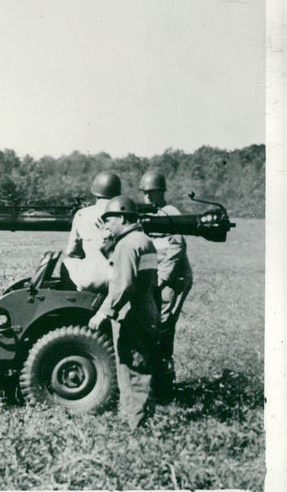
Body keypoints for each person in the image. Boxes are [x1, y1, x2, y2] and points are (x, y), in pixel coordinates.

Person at [88, 195, 159, 429]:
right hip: (146, 310)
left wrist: (102, 313)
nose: (106, 225)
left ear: (122, 217)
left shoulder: (127, 245)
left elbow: (123, 285)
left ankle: (135, 424)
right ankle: (135, 415)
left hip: (132, 314)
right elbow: (132, 274)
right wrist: (107, 246)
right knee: (137, 366)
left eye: (109, 220)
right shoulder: (143, 241)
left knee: (131, 368)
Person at [139, 170, 193, 401]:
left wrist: (161, 278)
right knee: (153, 325)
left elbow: (177, 248)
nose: (149, 198)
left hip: (173, 279)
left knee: (163, 327)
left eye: (153, 193)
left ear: (162, 193)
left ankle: (163, 383)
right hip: (157, 279)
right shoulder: (146, 215)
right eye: (145, 194)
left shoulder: (171, 214)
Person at [62, 171, 121, 292]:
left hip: (91, 280)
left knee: (67, 262)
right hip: (119, 279)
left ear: (95, 192)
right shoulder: (123, 217)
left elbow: (72, 251)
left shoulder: (82, 214)